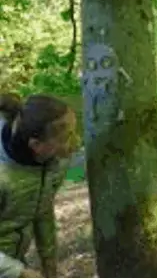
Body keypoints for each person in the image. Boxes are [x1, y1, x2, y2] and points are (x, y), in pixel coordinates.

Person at [0, 93, 76, 278]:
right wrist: (20, 273)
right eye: (66, 137)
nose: (76, 142)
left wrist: (49, 264)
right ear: (36, 145)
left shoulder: (51, 161)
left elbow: (42, 209)